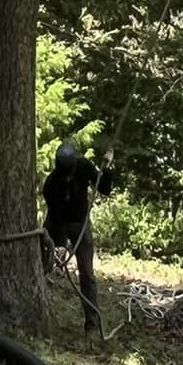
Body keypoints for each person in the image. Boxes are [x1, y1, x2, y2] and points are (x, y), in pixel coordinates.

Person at [42, 139, 115, 333]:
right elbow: (56, 217)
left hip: (80, 223)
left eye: (69, 174)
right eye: (64, 175)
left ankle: (92, 324)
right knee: (41, 262)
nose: (67, 179)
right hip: (57, 223)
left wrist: (106, 168)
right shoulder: (51, 185)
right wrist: (59, 244)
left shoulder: (83, 167)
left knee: (87, 274)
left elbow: (104, 188)